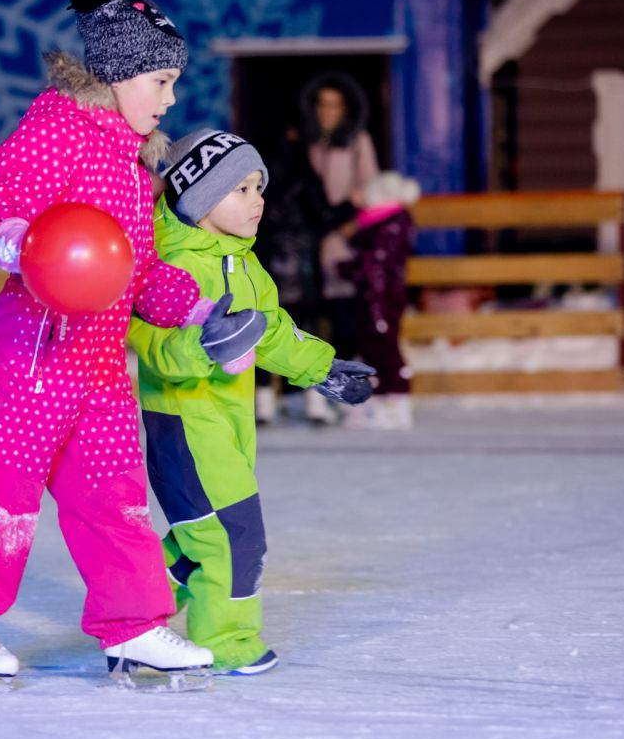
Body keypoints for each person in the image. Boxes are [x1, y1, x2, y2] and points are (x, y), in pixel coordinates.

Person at [0, 0, 265, 691]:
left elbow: (137, 275)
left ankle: (134, 626)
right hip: (38, 347)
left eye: (173, 82)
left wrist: (203, 312)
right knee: (5, 484)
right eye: (160, 82)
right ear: (117, 74)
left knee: (115, 495)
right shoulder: (60, 128)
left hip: (102, 362)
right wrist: (21, 242)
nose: (171, 98)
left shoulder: (135, 166)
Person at [128, 128, 377, 676]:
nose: (258, 199)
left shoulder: (242, 263)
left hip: (230, 425)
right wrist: (202, 344)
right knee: (234, 535)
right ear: (198, 196)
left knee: (201, 541)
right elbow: (147, 341)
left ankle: (132, 606)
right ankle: (228, 641)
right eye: (240, 188)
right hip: (185, 429)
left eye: (258, 186)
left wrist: (323, 370)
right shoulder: (167, 262)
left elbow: (272, 332)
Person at [254, 72, 379, 424]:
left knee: (340, 318)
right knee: (296, 313)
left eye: (335, 105)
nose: (328, 112)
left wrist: (348, 223)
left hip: (340, 239)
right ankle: (297, 393)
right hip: (303, 239)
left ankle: (339, 390)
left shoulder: (355, 141)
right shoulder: (301, 142)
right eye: (323, 105)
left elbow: (367, 189)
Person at [339, 171, 419, 430]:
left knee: (385, 349)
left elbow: (375, 266)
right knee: (373, 348)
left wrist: (349, 269)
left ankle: (395, 403)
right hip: (374, 297)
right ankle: (380, 402)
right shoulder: (378, 225)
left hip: (382, 299)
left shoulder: (388, 226)